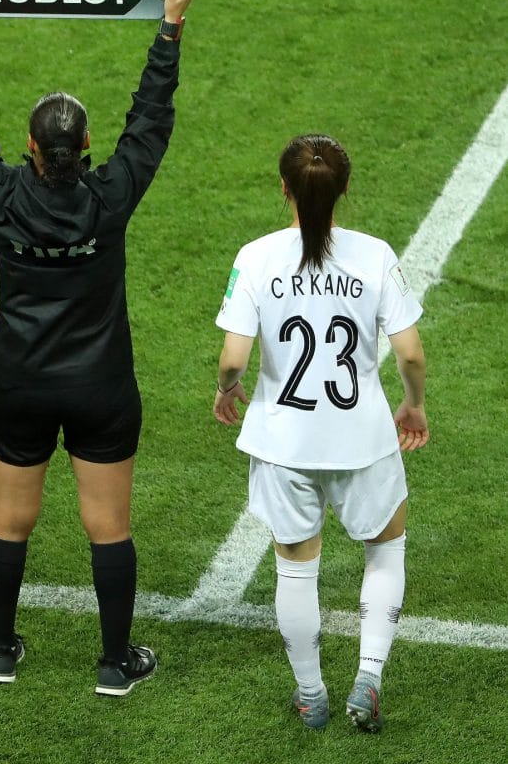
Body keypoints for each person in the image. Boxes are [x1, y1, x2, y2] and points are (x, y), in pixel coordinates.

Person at [0, 0, 195, 695]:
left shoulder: (0, 197)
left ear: (31, 148)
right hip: (101, 387)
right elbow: (151, 121)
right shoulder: (111, 198)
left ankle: (0, 652)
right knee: (108, 526)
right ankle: (114, 664)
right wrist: (168, 30)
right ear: (86, 145)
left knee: (10, 520)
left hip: (20, 383)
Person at [213, 133, 429, 733]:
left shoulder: (256, 257)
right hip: (363, 440)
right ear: (344, 190)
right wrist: (413, 405)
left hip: (284, 445)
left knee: (295, 566)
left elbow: (233, 358)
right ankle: (368, 678)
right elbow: (410, 354)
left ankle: (311, 695)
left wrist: (229, 389)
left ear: (283, 189)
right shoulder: (375, 255)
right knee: (385, 549)